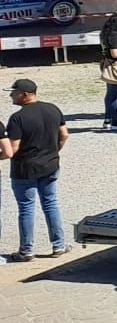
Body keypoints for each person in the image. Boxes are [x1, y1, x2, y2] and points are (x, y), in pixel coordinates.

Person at [4, 79, 68, 263]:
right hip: (50, 165)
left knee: (26, 208)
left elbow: (13, 148)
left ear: (24, 95)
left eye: (14, 93)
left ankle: (26, 250)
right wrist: (54, 151)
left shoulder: (17, 118)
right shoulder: (53, 109)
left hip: (25, 169)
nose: (11, 96)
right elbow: (64, 134)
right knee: (50, 203)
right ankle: (59, 245)